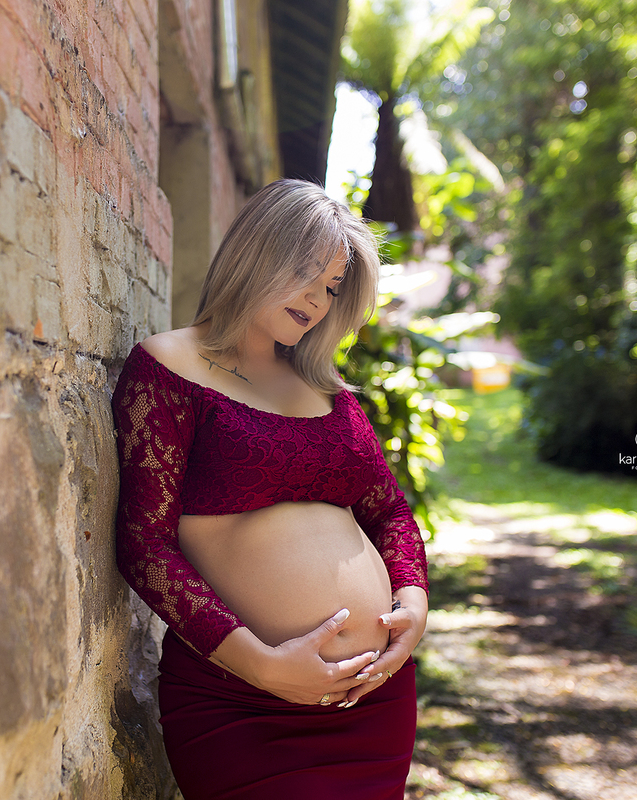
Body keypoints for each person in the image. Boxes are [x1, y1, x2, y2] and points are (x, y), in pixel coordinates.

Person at [112, 178, 430, 799]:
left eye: (332, 287)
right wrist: (262, 665)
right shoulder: (167, 368)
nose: (317, 299)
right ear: (259, 251)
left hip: (372, 702)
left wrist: (412, 604)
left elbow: (389, 511)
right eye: (307, 273)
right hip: (240, 702)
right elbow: (145, 546)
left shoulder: (328, 392)